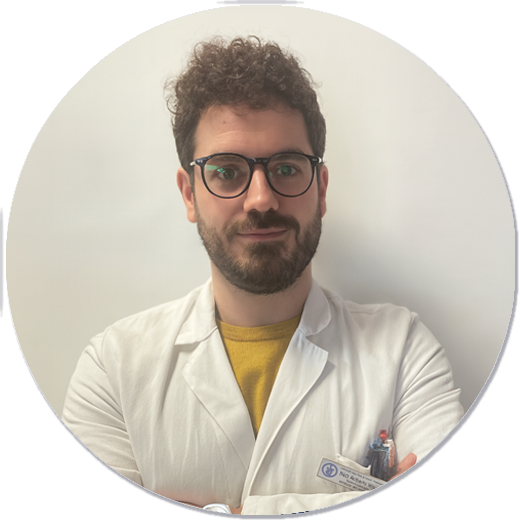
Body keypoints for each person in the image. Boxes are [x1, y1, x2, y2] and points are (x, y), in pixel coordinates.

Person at [62, 36, 464, 515]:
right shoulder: (112, 370)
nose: (261, 199)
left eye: (287, 168)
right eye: (227, 171)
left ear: (321, 189)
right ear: (189, 194)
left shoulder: (404, 352)